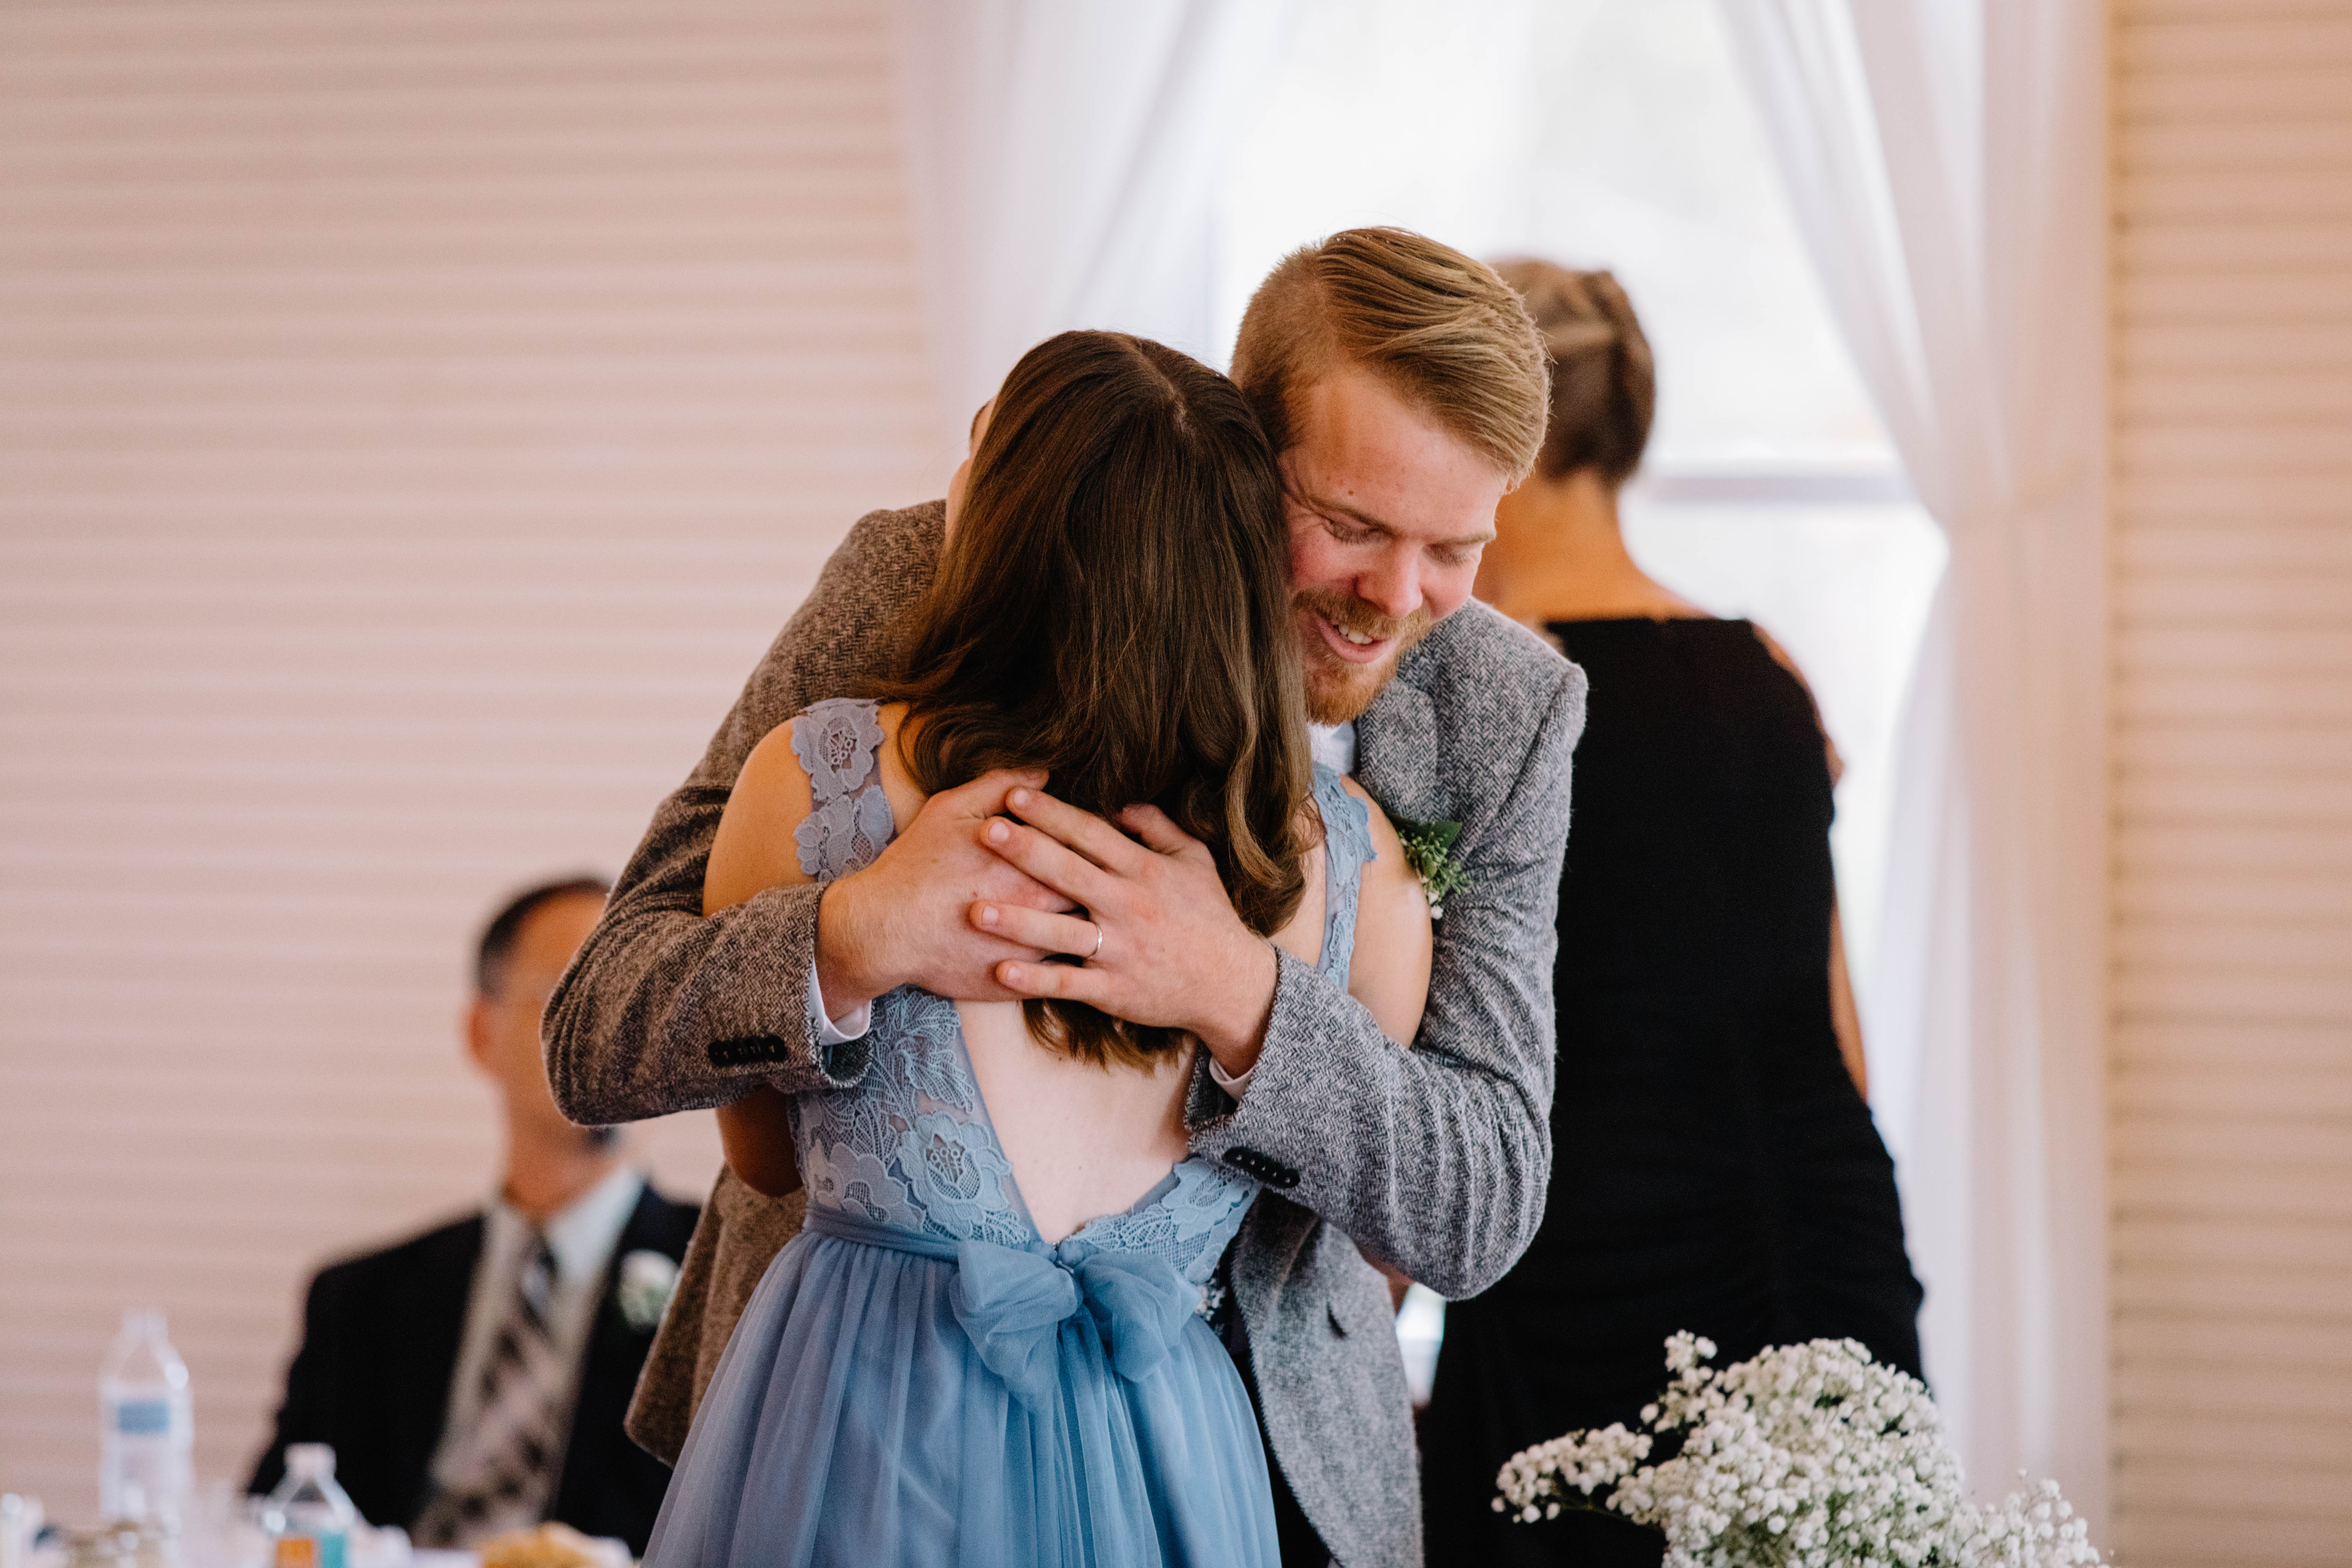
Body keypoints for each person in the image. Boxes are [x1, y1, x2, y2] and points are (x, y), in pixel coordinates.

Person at [546, 227, 1588, 1568]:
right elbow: (600, 1015)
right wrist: (847, 933)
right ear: (1232, 446)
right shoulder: (937, 570)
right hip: (852, 1445)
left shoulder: (1502, 714)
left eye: (1457, 548)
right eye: (1350, 527)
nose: (1398, 598)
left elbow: (1481, 1201)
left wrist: (1240, 997)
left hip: (1255, 1471)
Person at [1415, 261, 1925, 1567]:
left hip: (1591, 1270)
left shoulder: (1487, 696)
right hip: (1828, 1242)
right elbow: (1840, 1033)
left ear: (1493, 434)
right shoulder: (1766, 673)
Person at [250, 878, 698, 1555]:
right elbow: (267, 1527)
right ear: (481, 1033)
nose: (615, 1033)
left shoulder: (730, 1279)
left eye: (643, 1001)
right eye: (572, 996)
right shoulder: (359, 1302)